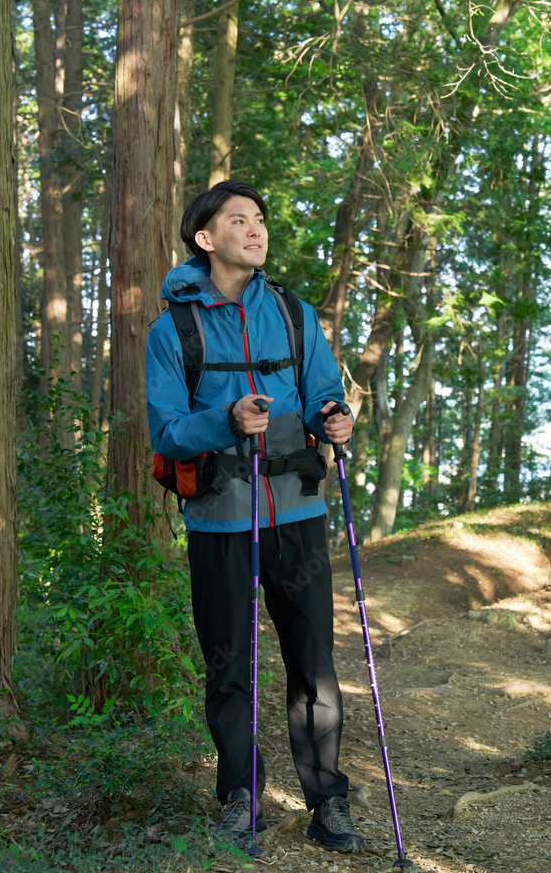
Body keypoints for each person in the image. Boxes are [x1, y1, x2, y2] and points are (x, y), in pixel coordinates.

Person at [146, 180, 365, 854]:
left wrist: (337, 418)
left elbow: (326, 393)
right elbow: (166, 431)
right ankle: (240, 796)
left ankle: (327, 801)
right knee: (228, 664)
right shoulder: (173, 329)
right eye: (237, 219)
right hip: (218, 518)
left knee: (312, 662)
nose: (255, 228)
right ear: (205, 239)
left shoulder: (295, 315)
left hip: (296, 512)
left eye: (259, 219)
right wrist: (225, 419)